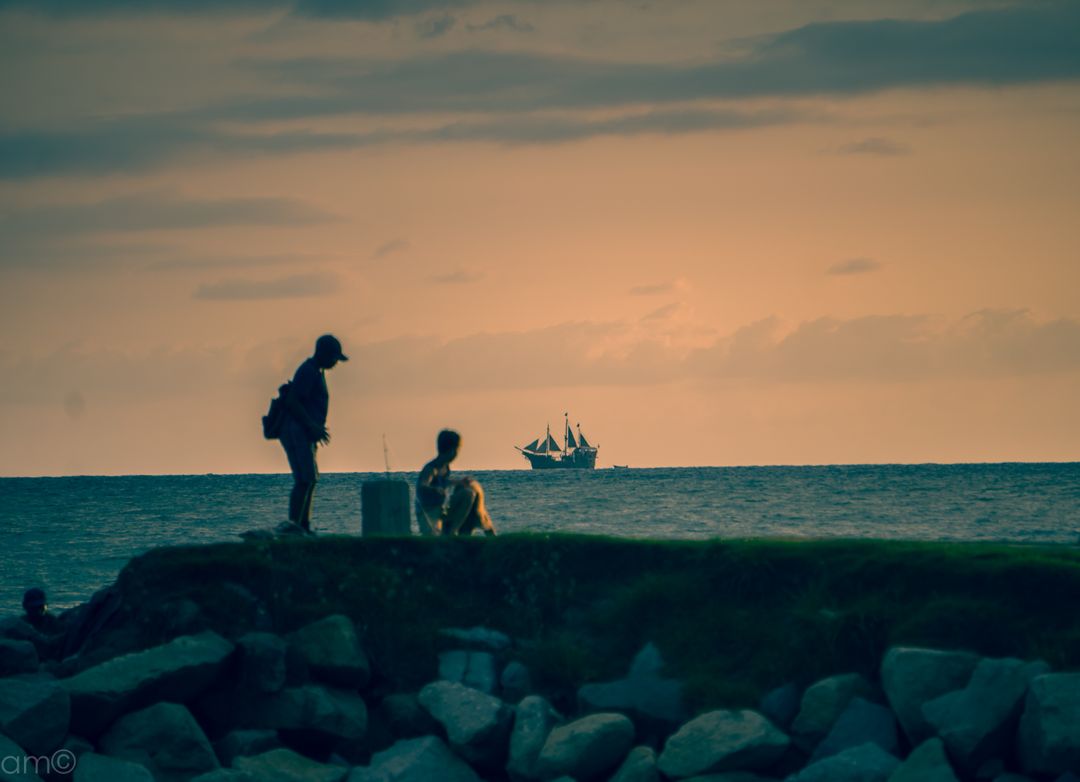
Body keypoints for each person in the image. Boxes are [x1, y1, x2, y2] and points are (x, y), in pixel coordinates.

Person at [281, 334, 348, 532]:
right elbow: (293, 401)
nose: (336, 363)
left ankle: (303, 525)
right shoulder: (308, 371)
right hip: (298, 431)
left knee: (309, 479)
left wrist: (314, 429)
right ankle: (296, 526)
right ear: (323, 354)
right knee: (305, 479)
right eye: (334, 357)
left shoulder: (316, 372)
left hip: (306, 433)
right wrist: (311, 425)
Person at [416, 429, 497, 537]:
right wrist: (434, 489)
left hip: (442, 508)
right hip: (429, 512)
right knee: (434, 537)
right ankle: (450, 533)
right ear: (452, 451)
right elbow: (422, 485)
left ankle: (452, 531)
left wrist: (459, 482)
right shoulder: (431, 468)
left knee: (468, 492)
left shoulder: (445, 467)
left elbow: (444, 481)